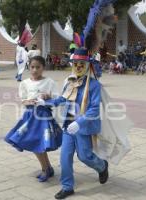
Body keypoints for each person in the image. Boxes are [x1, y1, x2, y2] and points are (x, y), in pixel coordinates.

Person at [45, 48, 109, 199]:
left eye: (82, 63)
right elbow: (63, 99)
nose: (78, 66)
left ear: (88, 65)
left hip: (82, 127)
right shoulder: (70, 82)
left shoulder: (94, 85)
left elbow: (94, 109)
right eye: (75, 63)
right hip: (68, 126)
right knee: (64, 157)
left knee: (84, 156)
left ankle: (102, 166)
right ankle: (67, 187)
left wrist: (79, 123)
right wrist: (46, 102)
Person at [5, 56, 62, 182]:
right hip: (30, 116)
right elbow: (22, 99)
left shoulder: (49, 82)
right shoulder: (25, 83)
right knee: (36, 142)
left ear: (43, 68)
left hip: (43, 117)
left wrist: (48, 96)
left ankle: (45, 169)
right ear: (29, 67)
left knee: (38, 143)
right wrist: (27, 101)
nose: (35, 70)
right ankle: (48, 167)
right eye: (32, 67)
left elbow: (57, 99)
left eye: (38, 67)